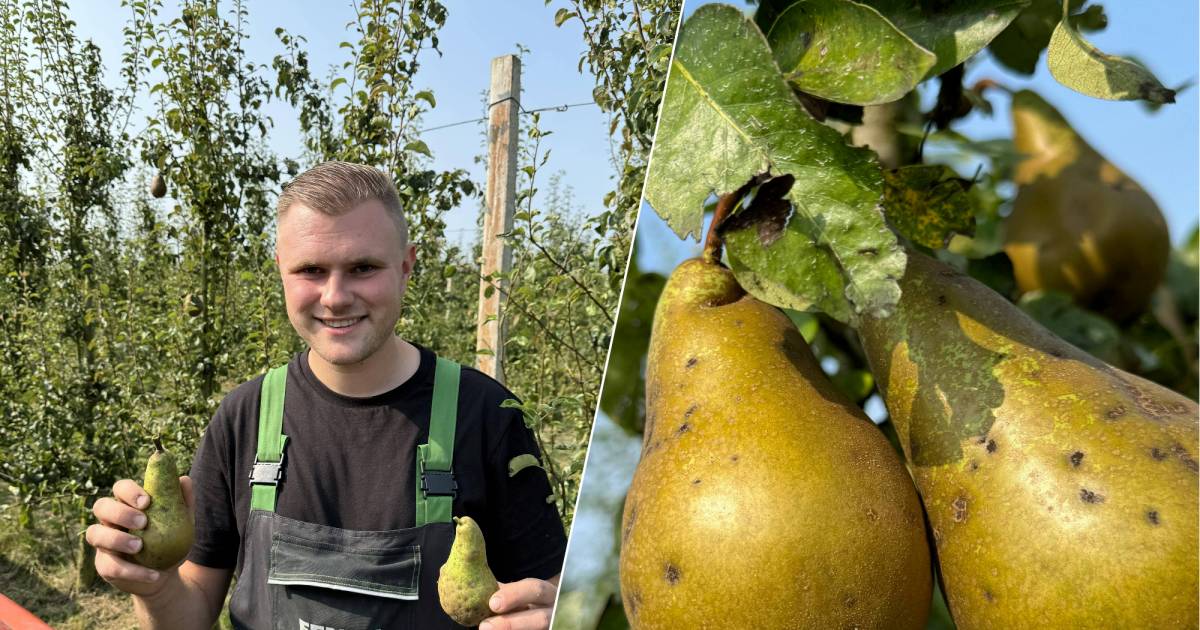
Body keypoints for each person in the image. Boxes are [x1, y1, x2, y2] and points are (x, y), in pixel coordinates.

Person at [86, 161, 567, 629]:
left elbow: (547, 591)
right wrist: (154, 586)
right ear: (280, 271)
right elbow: (188, 613)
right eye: (311, 269)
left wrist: (559, 616)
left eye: (362, 267)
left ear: (406, 266)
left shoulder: (487, 415)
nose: (335, 296)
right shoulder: (242, 418)